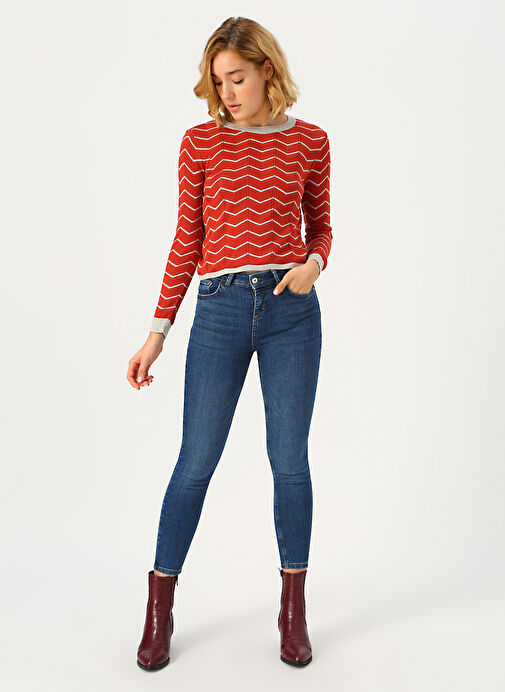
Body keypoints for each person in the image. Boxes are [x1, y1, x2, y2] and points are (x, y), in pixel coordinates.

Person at [127, 16, 332, 669]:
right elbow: (186, 241)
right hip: (218, 310)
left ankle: (293, 613)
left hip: (291, 311)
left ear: (267, 70)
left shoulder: (310, 141)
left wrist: (314, 264)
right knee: (195, 461)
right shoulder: (200, 143)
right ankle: (159, 611)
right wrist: (157, 333)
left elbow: (322, 226)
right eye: (218, 82)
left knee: (289, 461)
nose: (226, 93)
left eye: (237, 78)